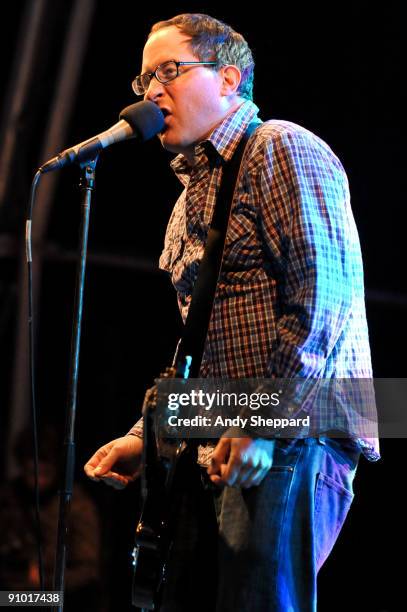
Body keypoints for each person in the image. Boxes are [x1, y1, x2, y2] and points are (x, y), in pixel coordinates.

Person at [84, 13, 380, 611]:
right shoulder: (186, 203)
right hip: (223, 434)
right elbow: (200, 343)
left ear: (228, 77)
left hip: (297, 430)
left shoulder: (282, 145)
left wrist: (261, 422)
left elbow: (324, 297)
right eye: (142, 79)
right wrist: (149, 434)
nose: (150, 91)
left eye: (168, 70)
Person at [0, 425, 103, 610]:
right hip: (13, 590)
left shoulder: (76, 505)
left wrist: (41, 580)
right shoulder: (10, 496)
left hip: (59, 596)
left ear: (56, 468)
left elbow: (88, 570)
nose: (37, 481)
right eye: (31, 472)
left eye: (45, 473)